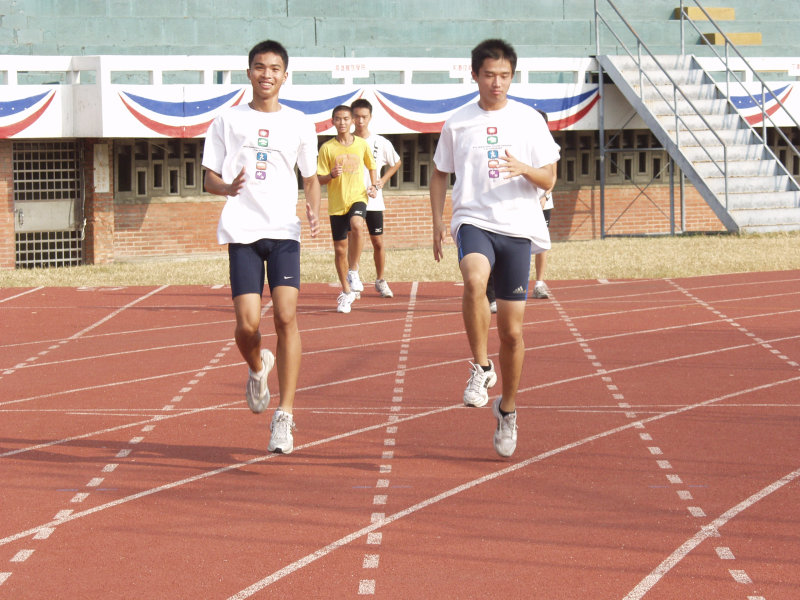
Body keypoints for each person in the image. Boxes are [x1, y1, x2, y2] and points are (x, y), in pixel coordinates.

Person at [430, 39, 559, 457]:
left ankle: (508, 408)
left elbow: (550, 179)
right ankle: (481, 367)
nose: (496, 83)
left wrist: (524, 169)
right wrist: (437, 221)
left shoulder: (529, 121)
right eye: (489, 75)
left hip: (517, 228)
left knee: (512, 332)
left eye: (504, 75)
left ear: (512, 76)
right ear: (475, 75)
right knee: (473, 281)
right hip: (473, 220)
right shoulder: (458, 123)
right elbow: (439, 173)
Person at [202, 39, 321, 455]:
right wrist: (226, 187)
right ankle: (257, 366)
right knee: (247, 326)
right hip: (242, 231)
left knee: (286, 316)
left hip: (284, 231)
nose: (266, 74)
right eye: (259, 67)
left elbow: (310, 178)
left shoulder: (300, 123)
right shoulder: (227, 120)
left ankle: (284, 415)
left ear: (285, 75)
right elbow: (209, 178)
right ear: (249, 72)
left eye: (274, 68)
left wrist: (313, 208)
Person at [317, 105, 378, 313]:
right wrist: (331, 175)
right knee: (340, 250)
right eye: (338, 119)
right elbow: (319, 178)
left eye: (345, 119)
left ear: (351, 121)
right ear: (332, 121)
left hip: (358, 197)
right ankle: (346, 291)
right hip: (337, 204)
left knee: (357, 224)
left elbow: (372, 165)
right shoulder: (327, 148)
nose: (342, 122)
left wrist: (374, 185)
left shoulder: (361, 144)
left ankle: (354, 270)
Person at [349, 98, 403, 298]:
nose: (360, 121)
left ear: (370, 117)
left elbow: (396, 162)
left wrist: (381, 181)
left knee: (377, 242)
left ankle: (380, 280)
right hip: (352, 199)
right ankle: (353, 280)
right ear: (351, 118)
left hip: (374, 200)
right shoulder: (346, 141)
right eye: (356, 117)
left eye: (364, 116)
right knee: (353, 239)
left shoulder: (381, 142)